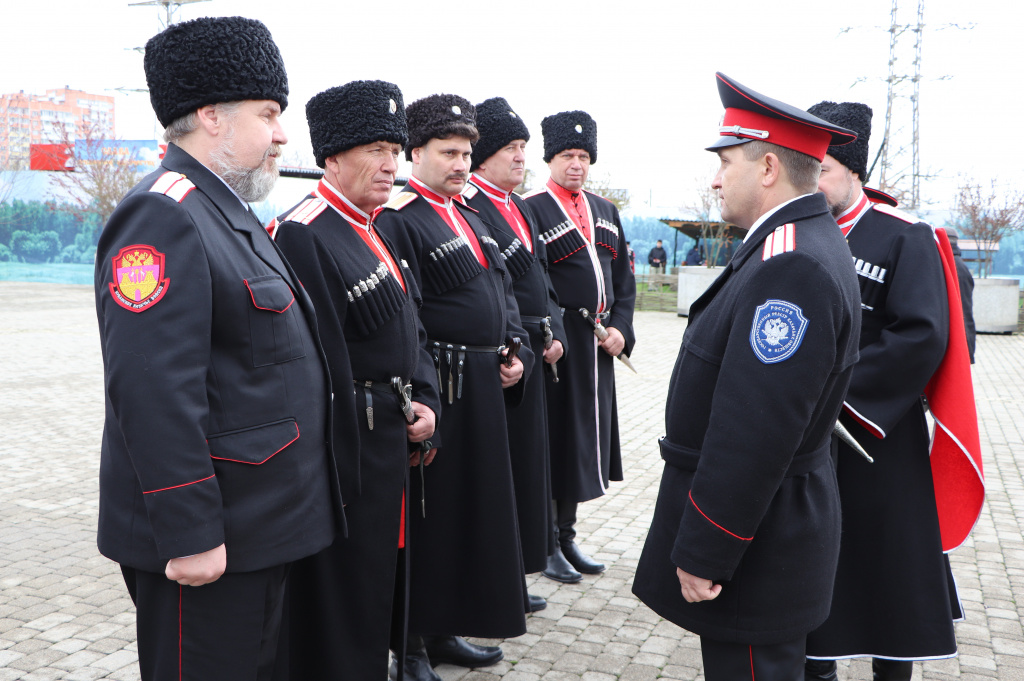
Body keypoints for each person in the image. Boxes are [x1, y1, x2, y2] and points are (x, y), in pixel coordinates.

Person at [94, 17, 345, 681]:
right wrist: (190, 533)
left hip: (261, 528)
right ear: (212, 115)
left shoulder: (228, 212)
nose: (283, 134)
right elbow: (152, 389)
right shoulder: (165, 213)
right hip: (213, 541)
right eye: (269, 114)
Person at [632, 72, 862, 681]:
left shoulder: (792, 265)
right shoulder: (798, 242)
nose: (713, 178)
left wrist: (708, 548)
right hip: (769, 527)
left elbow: (754, 430)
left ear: (766, 168)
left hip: (758, 540)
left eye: (724, 161)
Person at [804, 100, 983, 681]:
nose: (815, 181)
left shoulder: (905, 237)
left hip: (877, 432)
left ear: (854, 170)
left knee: (888, 565)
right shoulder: (796, 234)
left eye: (824, 170)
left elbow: (922, 334)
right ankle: (818, 663)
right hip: (803, 431)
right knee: (814, 559)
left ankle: (893, 666)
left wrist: (842, 396)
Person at [267, 80, 440, 681]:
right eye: (375, 150)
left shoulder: (376, 228)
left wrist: (427, 403)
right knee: (342, 600)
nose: (391, 164)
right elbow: (320, 365)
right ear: (333, 158)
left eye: (395, 150)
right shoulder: (304, 231)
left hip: (390, 436)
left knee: (376, 584)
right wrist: (345, 468)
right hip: (351, 454)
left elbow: (410, 327)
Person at [374, 93, 533, 681]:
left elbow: (503, 293)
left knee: (465, 518)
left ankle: (444, 631)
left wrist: (514, 352)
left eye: (468, 153)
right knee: (425, 524)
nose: (462, 164)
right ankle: (410, 648)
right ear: (415, 151)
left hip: (484, 391)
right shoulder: (399, 217)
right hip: (439, 390)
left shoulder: (469, 214)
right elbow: (403, 315)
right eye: (449, 152)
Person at [523, 110, 636, 583]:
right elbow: (532, 283)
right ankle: (545, 541)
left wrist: (622, 332)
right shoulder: (531, 209)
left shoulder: (606, 211)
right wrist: (550, 334)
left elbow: (625, 282)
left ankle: (567, 535)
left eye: (584, 156)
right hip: (560, 348)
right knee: (556, 440)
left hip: (599, 350)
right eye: (568, 155)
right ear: (550, 158)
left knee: (585, 443)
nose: (577, 164)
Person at [463, 96, 566, 612]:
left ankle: (523, 566)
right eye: (510, 148)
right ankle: (502, 579)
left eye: (523, 147)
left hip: (536, 349)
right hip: (504, 354)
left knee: (530, 472)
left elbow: (542, 280)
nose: (521, 157)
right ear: (482, 158)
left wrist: (558, 334)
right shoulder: (471, 205)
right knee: (505, 476)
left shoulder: (520, 208)